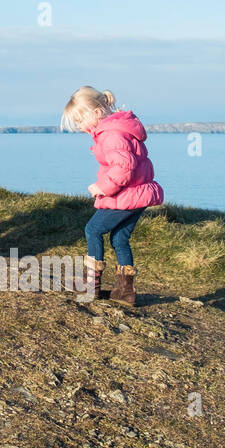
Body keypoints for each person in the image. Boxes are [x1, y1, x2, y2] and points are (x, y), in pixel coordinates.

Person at [60, 86, 164, 305]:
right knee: (119, 238)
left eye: (80, 120)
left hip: (126, 195)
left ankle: (92, 287)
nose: (79, 126)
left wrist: (101, 188)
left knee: (93, 229)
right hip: (138, 194)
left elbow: (124, 167)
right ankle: (126, 292)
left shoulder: (111, 134)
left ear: (96, 112)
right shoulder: (120, 128)